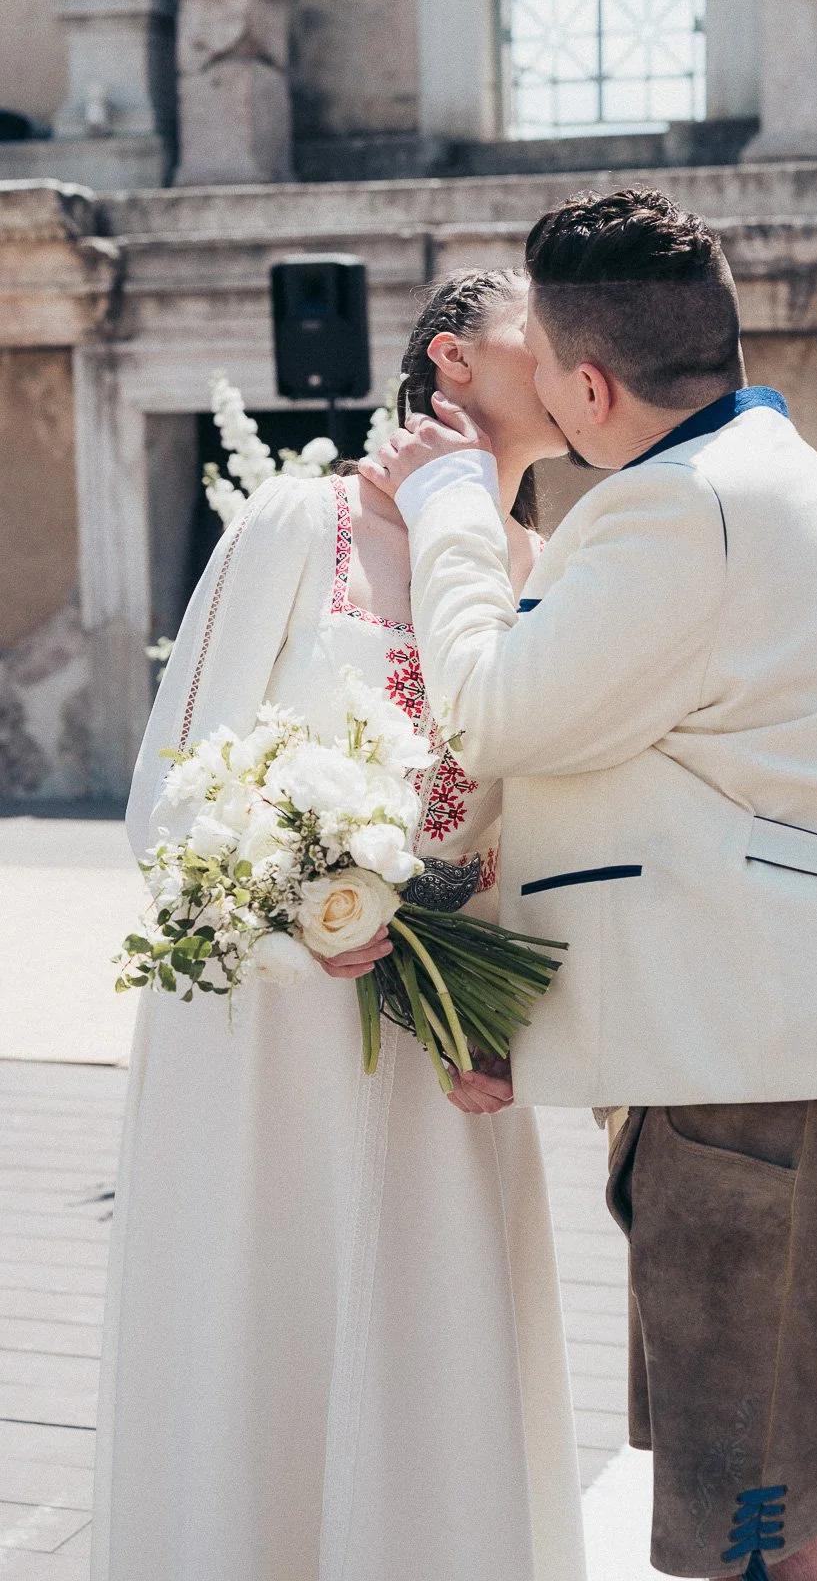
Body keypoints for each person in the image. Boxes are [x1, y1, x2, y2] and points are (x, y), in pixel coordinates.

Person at [361, 188, 817, 1581]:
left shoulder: (682, 515)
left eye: (543, 367)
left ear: (591, 387)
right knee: (768, 1523)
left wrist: (451, 511)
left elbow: (492, 712)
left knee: (767, 1547)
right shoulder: (779, 478)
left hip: (785, 1100)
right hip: (791, 1083)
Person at [94, 269, 587, 1581]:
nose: (572, 348)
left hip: (439, 1040)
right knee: (262, 1325)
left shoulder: (541, 570)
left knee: (430, 1343)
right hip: (261, 1041)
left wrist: (509, 1016)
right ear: (453, 357)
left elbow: (527, 826)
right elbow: (169, 787)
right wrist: (291, 918)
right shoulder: (295, 525)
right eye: (538, 328)